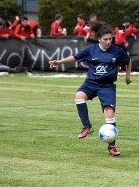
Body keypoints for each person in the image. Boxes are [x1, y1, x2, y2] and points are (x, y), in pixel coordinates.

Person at [49, 21, 132, 156]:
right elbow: (75, 57)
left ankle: (112, 146)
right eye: (105, 39)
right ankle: (87, 126)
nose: (108, 41)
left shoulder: (116, 51)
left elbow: (128, 60)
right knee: (79, 96)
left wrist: (128, 76)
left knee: (110, 115)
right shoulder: (91, 50)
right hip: (91, 83)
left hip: (107, 85)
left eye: (110, 39)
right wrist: (59, 62)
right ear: (99, 39)